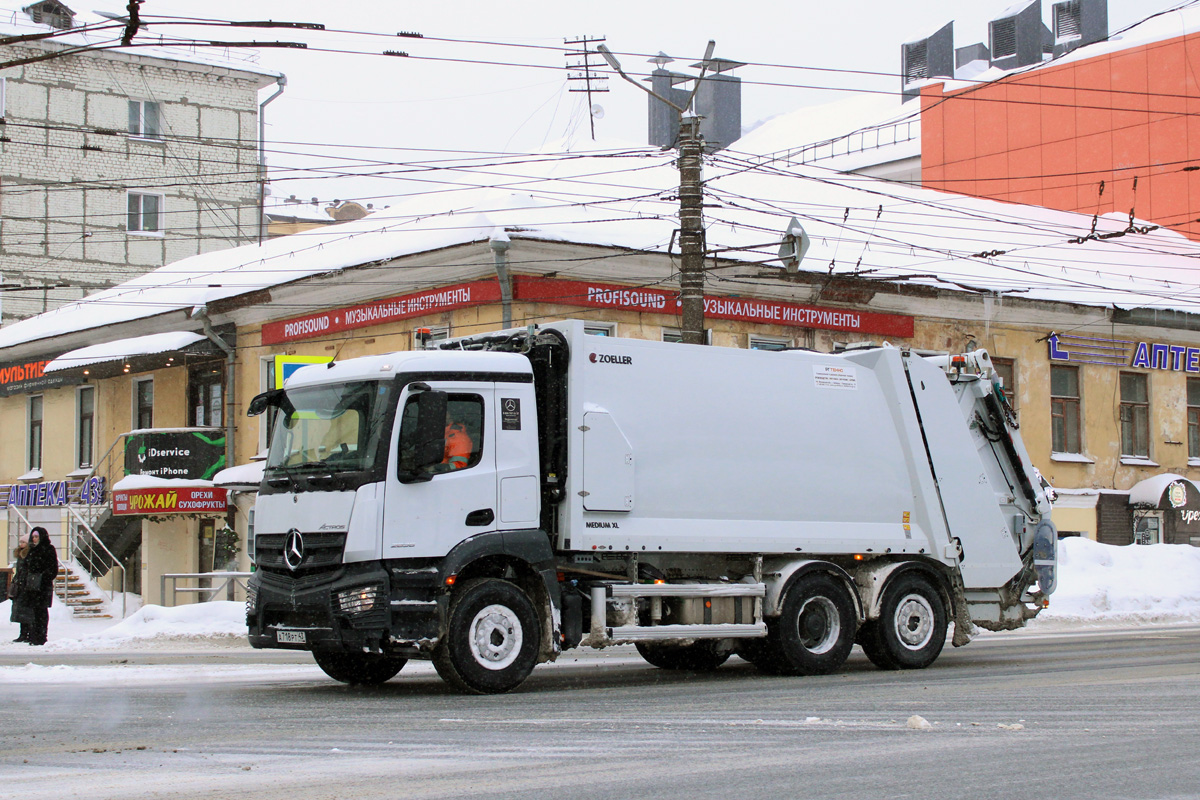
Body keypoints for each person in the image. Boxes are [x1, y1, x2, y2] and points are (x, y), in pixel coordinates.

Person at [22, 527, 58, 646]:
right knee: (33, 611)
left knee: (41, 611)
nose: (34, 539)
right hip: (32, 586)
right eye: (33, 537)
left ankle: (41, 636)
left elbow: (53, 568)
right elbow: (26, 566)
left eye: (36, 537)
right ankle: (33, 635)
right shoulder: (32, 550)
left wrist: (43, 578)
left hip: (42, 586)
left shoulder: (48, 549)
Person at [7, 534, 31, 643]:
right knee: (21, 612)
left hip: (25, 586)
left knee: (26, 612)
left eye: (23, 542)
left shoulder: (28, 555)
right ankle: (23, 633)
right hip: (19, 586)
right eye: (20, 542)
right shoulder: (20, 555)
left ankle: (27, 633)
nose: (21, 544)